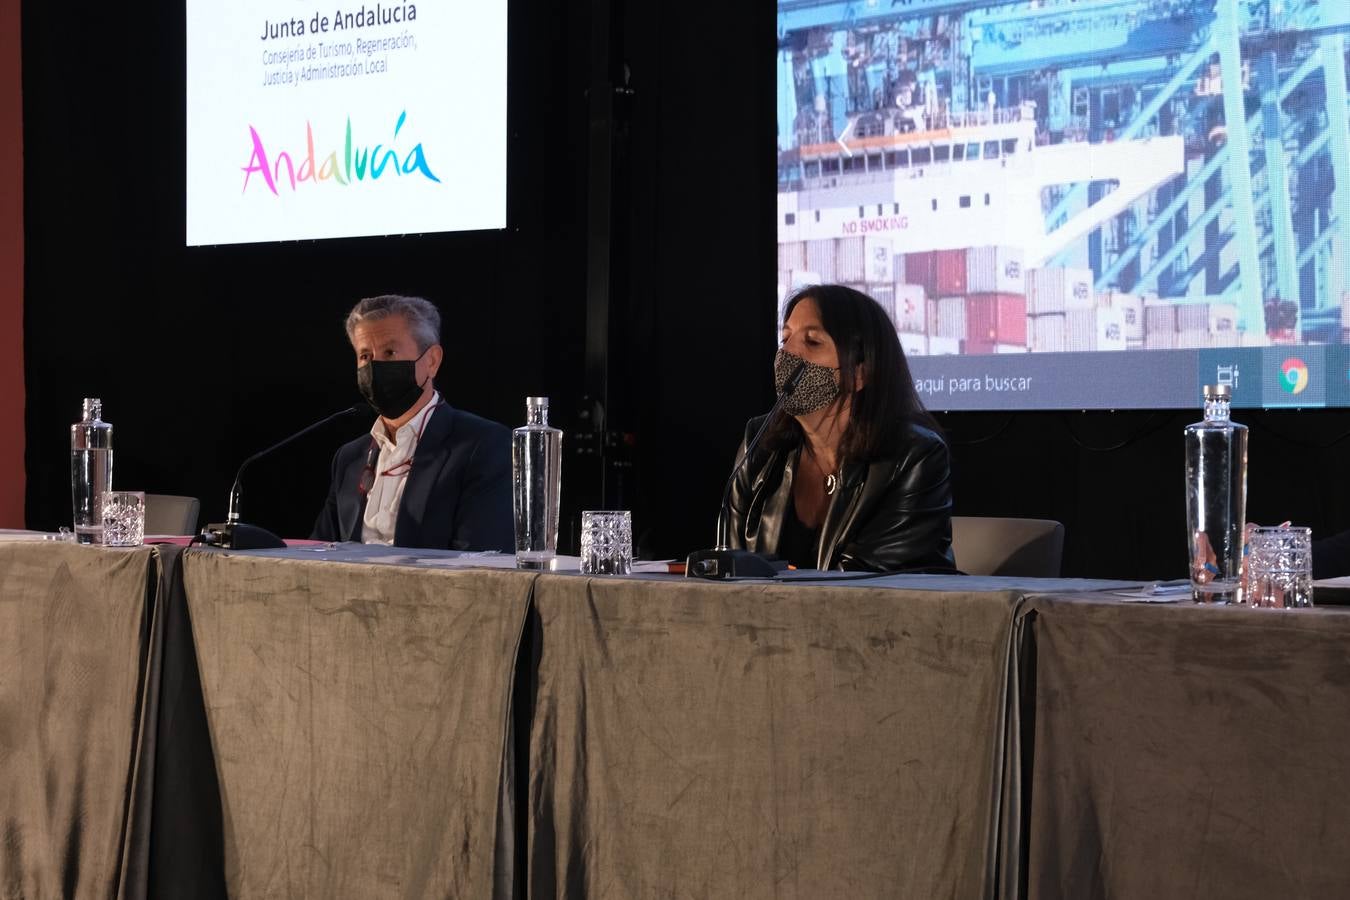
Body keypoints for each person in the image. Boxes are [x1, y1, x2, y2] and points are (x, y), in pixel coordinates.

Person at [725, 284, 957, 572]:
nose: (787, 354)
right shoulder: (759, 444)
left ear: (860, 373)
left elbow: (868, 584)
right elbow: (730, 568)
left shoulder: (915, 456)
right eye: (785, 339)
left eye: (812, 342)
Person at [311, 294, 515, 550]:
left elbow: (479, 564)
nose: (374, 367)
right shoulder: (349, 458)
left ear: (431, 361)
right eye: (365, 356)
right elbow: (318, 554)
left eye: (389, 352)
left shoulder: (482, 446)